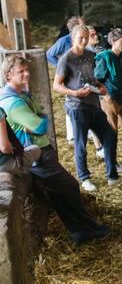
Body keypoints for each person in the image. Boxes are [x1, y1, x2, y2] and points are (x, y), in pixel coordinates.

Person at [0, 55, 108, 245]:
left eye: (27, 69)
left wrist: (39, 120)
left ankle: (85, 228)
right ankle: (82, 230)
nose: (27, 74)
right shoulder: (13, 102)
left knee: (61, 191)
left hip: (39, 148)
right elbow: (41, 125)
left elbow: (41, 118)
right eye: (21, 71)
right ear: (8, 75)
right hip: (36, 154)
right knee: (70, 187)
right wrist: (39, 121)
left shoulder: (21, 94)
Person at [53, 24, 119, 192]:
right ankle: (84, 178)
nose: (83, 41)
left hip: (94, 103)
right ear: (73, 38)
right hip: (77, 106)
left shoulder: (90, 55)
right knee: (81, 143)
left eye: (86, 37)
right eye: (80, 38)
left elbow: (92, 78)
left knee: (110, 135)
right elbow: (57, 86)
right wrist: (74, 93)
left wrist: (100, 86)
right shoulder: (66, 59)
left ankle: (112, 175)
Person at [95, 28, 122, 167]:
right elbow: (97, 78)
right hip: (110, 98)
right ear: (113, 41)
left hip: (121, 97)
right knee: (112, 131)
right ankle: (112, 162)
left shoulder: (119, 57)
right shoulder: (105, 56)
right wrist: (106, 96)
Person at [46, 16, 85, 147]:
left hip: (79, 72)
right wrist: (60, 67)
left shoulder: (83, 41)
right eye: (82, 25)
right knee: (71, 102)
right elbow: (49, 54)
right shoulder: (64, 40)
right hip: (69, 74)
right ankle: (71, 136)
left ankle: (85, 129)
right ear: (74, 29)